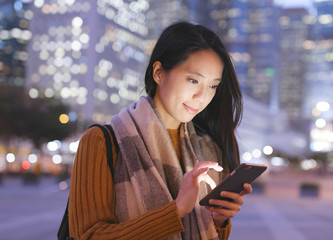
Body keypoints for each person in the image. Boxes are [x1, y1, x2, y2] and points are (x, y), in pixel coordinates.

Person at [68, 21, 252, 239]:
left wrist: (219, 219)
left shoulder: (208, 151)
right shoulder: (102, 142)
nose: (202, 96)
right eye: (193, 80)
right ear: (158, 73)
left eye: (213, 86)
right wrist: (176, 211)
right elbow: (88, 235)